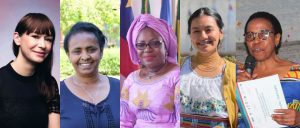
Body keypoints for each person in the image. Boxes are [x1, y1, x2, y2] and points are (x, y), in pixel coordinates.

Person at [237, 11, 300, 127]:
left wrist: (299, 119)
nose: (256, 41)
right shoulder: (236, 73)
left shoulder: (297, 74)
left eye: (263, 34)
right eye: (250, 36)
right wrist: (232, 90)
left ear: (277, 38)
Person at [180, 7, 237, 128]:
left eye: (208, 30)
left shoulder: (234, 73)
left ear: (221, 33)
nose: (203, 36)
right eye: (196, 31)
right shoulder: (178, 68)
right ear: (190, 35)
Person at [0, 13, 59, 128]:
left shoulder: (50, 83)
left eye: (48, 39)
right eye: (35, 36)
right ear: (17, 38)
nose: (43, 45)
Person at [120, 14, 180, 128]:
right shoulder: (131, 79)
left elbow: (182, 122)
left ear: (166, 46)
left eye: (155, 43)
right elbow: (123, 122)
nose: (147, 49)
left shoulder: (178, 76)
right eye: (141, 45)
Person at [60, 22, 120, 128]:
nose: (85, 56)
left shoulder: (120, 88)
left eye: (91, 50)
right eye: (77, 51)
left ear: (101, 52)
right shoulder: (57, 92)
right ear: (68, 55)